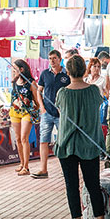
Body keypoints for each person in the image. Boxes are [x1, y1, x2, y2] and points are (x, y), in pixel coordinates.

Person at [56, 55, 110, 219]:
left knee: (71, 185)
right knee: (93, 184)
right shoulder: (93, 91)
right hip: (89, 144)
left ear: (68, 71)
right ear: (85, 69)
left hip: (67, 145)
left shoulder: (62, 93)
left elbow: (60, 110)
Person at [35, 50, 71, 178]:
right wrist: (42, 108)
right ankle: (43, 169)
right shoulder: (45, 74)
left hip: (62, 113)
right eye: (50, 58)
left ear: (60, 59)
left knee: (63, 141)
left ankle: (66, 169)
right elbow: (39, 91)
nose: (52, 61)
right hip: (47, 113)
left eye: (54, 58)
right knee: (44, 140)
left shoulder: (67, 74)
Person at [9, 60, 38, 176]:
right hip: (15, 111)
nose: (13, 70)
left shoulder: (31, 83)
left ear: (22, 69)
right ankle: (21, 163)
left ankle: (26, 166)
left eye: (15, 68)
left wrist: (36, 110)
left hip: (27, 112)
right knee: (18, 138)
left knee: (24, 137)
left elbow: (37, 100)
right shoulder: (14, 82)